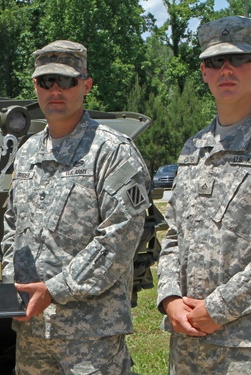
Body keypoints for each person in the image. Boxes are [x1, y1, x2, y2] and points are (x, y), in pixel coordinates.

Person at [1, 40, 151, 374]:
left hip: (90, 336)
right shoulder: (26, 153)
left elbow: (120, 237)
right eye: (45, 81)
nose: (55, 90)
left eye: (66, 81)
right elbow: (13, 225)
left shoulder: (112, 152)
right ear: (35, 87)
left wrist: (55, 290)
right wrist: (10, 282)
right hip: (32, 332)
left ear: (86, 85)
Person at [157, 15, 251, 374]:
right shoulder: (193, 148)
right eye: (215, 61)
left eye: (239, 58)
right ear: (203, 71)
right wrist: (169, 299)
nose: (226, 68)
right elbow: (175, 233)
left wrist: (221, 306)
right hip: (188, 347)